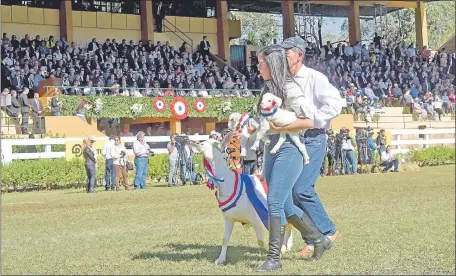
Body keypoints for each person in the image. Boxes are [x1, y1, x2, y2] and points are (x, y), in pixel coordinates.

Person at [255, 44, 332, 272]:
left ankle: (273, 259)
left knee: (274, 202)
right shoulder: (267, 88)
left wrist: (277, 130)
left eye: (262, 63)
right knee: (287, 205)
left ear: (273, 65)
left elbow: (309, 121)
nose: (258, 67)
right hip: (273, 149)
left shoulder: (290, 88)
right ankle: (319, 240)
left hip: (290, 149)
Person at [280, 37, 341, 257]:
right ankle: (313, 240)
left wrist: (314, 120)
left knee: (302, 188)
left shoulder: (316, 78)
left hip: (314, 138)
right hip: (293, 138)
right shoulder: (283, 80)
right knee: (292, 192)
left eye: (286, 54)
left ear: (299, 55)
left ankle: (327, 230)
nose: (282, 59)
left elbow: (335, 103)